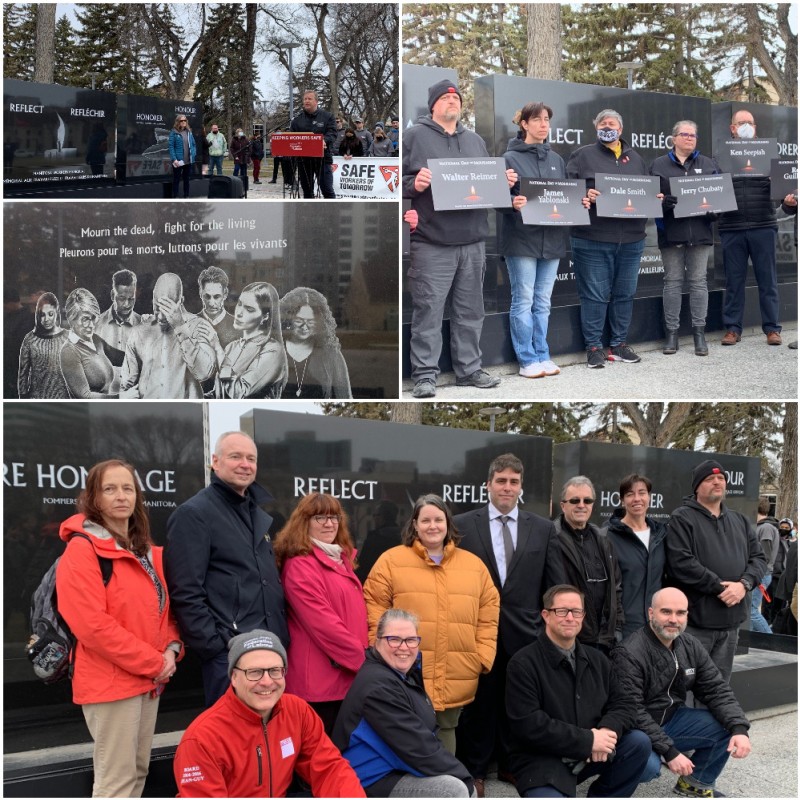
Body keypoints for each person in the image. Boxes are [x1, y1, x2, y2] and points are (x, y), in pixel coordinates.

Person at [56, 459, 183, 797]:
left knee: (137, 773)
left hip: (148, 682)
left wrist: (171, 650)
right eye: (109, 489)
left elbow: (164, 614)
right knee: (116, 782)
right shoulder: (81, 551)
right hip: (110, 685)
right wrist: (155, 663)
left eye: (128, 488)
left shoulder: (145, 553)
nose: (121, 496)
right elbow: (92, 626)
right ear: (93, 498)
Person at [455, 452, 565, 796]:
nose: (507, 487)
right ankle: (474, 769)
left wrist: (552, 627)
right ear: (488, 485)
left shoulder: (544, 528)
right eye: (500, 481)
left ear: (521, 487)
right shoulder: (461, 525)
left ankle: (510, 764)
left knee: (517, 704)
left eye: (513, 482)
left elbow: (553, 584)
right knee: (478, 704)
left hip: (526, 633)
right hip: (475, 632)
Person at [403, 79, 515, 397]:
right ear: (434, 105)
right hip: (431, 241)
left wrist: (502, 181)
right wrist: (414, 184)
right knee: (428, 310)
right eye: (446, 97)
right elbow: (395, 181)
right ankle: (425, 375)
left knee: (470, 311)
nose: (453, 100)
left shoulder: (476, 141)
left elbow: (485, 184)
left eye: (456, 97)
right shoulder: (414, 136)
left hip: (473, 241)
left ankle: (469, 370)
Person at [363, 493, 499, 754]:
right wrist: (379, 650)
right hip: (404, 670)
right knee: (405, 731)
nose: (432, 526)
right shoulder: (391, 561)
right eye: (425, 520)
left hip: (456, 669)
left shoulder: (473, 566)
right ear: (414, 524)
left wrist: (482, 656)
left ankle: (446, 790)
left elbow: (489, 611)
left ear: (448, 523)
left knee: (446, 732)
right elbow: (374, 606)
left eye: (438, 519)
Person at [165, 432, 289, 707]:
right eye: (236, 457)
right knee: (232, 742)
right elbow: (185, 591)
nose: (245, 464)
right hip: (230, 656)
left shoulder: (256, 513)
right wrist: (216, 648)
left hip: (269, 652)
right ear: (216, 462)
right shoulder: (194, 514)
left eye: (251, 458)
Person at [173, 629, 364, 798]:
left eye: (274, 671)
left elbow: (329, 769)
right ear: (233, 677)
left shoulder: (297, 710)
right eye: (254, 672)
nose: (266, 682)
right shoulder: (202, 739)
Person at [506, 584, 650, 798]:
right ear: (545, 615)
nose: (570, 617)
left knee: (639, 743)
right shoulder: (523, 663)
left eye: (577, 611)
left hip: (592, 754)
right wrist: (587, 741)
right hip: (544, 762)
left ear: (583, 616)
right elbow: (528, 725)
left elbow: (624, 703)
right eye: (562, 611)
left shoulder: (598, 659)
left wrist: (606, 732)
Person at [612, 588, 752, 799]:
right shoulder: (629, 652)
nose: (673, 619)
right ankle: (613, 782)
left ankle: (695, 784)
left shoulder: (689, 645)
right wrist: (669, 752)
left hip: (672, 720)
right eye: (666, 612)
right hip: (636, 731)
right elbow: (633, 711)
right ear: (651, 613)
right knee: (648, 768)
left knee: (727, 726)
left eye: (680, 613)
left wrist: (739, 727)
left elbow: (716, 689)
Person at [333, 609, 475, 798]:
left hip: (393, 767)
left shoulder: (401, 675)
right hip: (366, 779)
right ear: (377, 641)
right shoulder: (378, 686)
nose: (404, 647)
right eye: (394, 639)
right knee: (452, 789)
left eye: (410, 640)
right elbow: (416, 746)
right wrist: (466, 779)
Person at [566, 109, 655, 368]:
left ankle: (618, 344)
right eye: (603, 123)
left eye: (612, 123)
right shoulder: (582, 156)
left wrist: (654, 198)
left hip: (631, 238)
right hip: (592, 237)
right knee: (594, 295)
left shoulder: (636, 158)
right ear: (596, 128)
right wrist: (585, 192)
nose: (608, 126)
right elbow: (566, 189)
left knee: (625, 293)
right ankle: (594, 347)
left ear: (621, 129)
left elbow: (646, 191)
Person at [273, 493, 368, 735]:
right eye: (320, 517)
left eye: (334, 517)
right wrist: (366, 663)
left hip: (344, 678)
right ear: (304, 522)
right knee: (317, 760)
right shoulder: (300, 565)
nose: (329, 523)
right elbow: (324, 625)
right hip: (320, 684)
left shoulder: (340, 559)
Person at [664, 459, 767, 681]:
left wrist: (743, 585)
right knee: (687, 687)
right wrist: (720, 587)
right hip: (696, 624)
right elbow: (681, 562)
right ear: (697, 487)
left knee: (719, 690)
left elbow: (759, 559)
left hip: (731, 625)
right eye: (710, 479)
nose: (717, 482)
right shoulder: (682, 518)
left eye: (721, 478)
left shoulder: (739, 520)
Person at [501, 102, 582, 378]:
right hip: (522, 240)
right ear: (524, 124)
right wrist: (512, 202)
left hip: (553, 240)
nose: (544, 124)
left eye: (547, 119)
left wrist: (577, 203)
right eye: (537, 119)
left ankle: (543, 354)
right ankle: (527, 359)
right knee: (523, 300)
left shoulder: (557, 160)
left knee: (543, 301)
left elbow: (562, 198)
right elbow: (497, 199)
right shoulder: (509, 159)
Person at [650, 120, 719, 356]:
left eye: (693, 135)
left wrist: (715, 211)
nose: (690, 138)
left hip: (700, 233)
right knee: (673, 282)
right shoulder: (658, 165)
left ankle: (700, 334)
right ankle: (672, 334)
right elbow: (649, 200)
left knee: (699, 282)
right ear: (674, 138)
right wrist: (662, 204)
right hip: (671, 233)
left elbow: (719, 196)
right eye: (685, 134)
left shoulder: (708, 164)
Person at [718, 109, 782, 346]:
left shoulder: (769, 153)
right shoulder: (721, 154)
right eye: (741, 123)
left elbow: (785, 190)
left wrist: (786, 195)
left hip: (763, 224)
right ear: (732, 128)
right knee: (734, 282)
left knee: (768, 280)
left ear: (755, 128)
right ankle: (733, 329)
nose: (746, 126)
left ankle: (772, 329)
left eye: (750, 123)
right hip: (731, 226)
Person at [120, 272, 219, 399]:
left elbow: (204, 373)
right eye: (157, 308)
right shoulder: (139, 331)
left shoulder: (199, 327)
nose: (161, 316)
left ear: (181, 301)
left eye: (167, 309)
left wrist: (180, 327)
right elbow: (126, 384)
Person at [554, 476, 623, 653]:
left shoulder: (604, 540)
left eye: (587, 500)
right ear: (563, 505)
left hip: (605, 640)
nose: (581, 505)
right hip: (568, 638)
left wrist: (617, 628)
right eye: (575, 500)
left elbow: (616, 588)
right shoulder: (551, 539)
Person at [600, 473, 666, 640]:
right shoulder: (608, 536)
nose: (637, 498)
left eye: (642, 493)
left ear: (649, 497)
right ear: (622, 500)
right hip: (625, 629)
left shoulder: (661, 535)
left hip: (657, 626)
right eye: (630, 494)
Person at [214, 281, 287, 399]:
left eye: (249, 309)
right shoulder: (231, 347)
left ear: (265, 317)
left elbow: (239, 392)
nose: (239, 313)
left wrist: (218, 351)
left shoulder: (273, 350)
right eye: (239, 304)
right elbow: (217, 394)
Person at [279, 287, 352, 399]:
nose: (305, 326)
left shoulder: (332, 356)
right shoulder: (274, 352)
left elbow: (345, 398)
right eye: (299, 320)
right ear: (291, 319)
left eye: (310, 321)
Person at [60, 288, 124, 399]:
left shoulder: (95, 340)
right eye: (85, 319)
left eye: (93, 318)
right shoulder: (69, 352)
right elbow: (85, 396)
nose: (91, 325)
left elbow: (122, 358)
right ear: (72, 319)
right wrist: (122, 398)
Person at [17, 291, 69, 398]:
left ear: (56, 313)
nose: (46, 319)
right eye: (42, 315)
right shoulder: (30, 339)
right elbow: (23, 373)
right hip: (37, 396)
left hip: (63, 396)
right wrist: (22, 396)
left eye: (50, 314)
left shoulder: (68, 337)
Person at [290, 90, 337, 198]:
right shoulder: (296, 120)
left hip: (323, 159)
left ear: (316, 101)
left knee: (327, 189)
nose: (306, 101)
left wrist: (324, 140)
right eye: (305, 99)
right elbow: (292, 137)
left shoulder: (327, 116)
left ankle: (332, 212)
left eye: (309, 99)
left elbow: (333, 133)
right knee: (307, 190)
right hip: (304, 160)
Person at [95, 269, 142, 355]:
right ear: (112, 295)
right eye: (122, 298)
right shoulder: (96, 325)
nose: (127, 304)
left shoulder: (143, 325)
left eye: (131, 299)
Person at [751, 497, 780, 634]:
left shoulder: (766, 528)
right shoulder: (764, 527)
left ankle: (770, 639)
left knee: (750, 611)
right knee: (750, 611)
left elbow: (764, 556)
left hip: (761, 575)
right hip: (761, 574)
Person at [355, 501, 402, 584]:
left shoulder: (375, 538)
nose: (374, 518)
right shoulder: (403, 538)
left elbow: (363, 566)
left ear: (383, 517)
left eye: (376, 515)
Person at [197, 266, 237, 348]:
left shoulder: (238, 327)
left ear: (225, 294)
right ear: (201, 293)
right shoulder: (190, 324)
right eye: (207, 296)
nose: (211, 303)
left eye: (216, 297)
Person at [168, 114, 196, 199]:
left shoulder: (189, 132)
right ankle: (175, 196)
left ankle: (186, 196)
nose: (184, 122)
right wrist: (174, 159)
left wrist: (193, 154)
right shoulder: (174, 132)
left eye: (185, 120)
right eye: (182, 121)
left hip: (188, 160)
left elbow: (193, 144)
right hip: (178, 161)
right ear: (178, 122)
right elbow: (171, 146)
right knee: (176, 179)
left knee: (186, 180)